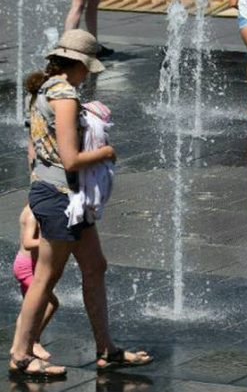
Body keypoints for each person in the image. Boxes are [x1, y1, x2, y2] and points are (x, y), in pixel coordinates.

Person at [9, 29, 152, 379]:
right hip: (60, 197)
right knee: (45, 276)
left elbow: (32, 149)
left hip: (60, 195)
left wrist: (40, 183)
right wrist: (106, 152)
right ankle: (20, 354)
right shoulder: (65, 96)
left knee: (95, 266)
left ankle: (106, 349)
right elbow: (72, 159)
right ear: (79, 64)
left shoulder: (43, 88)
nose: (89, 74)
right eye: (88, 67)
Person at [13, 205, 58, 362]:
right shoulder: (32, 214)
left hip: (28, 264)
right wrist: (52, 240)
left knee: (28, 308)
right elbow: (27, 242)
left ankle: (17, 345)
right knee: (51, 303)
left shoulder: (31, 210)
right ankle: (33, 341)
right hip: (26, 267)